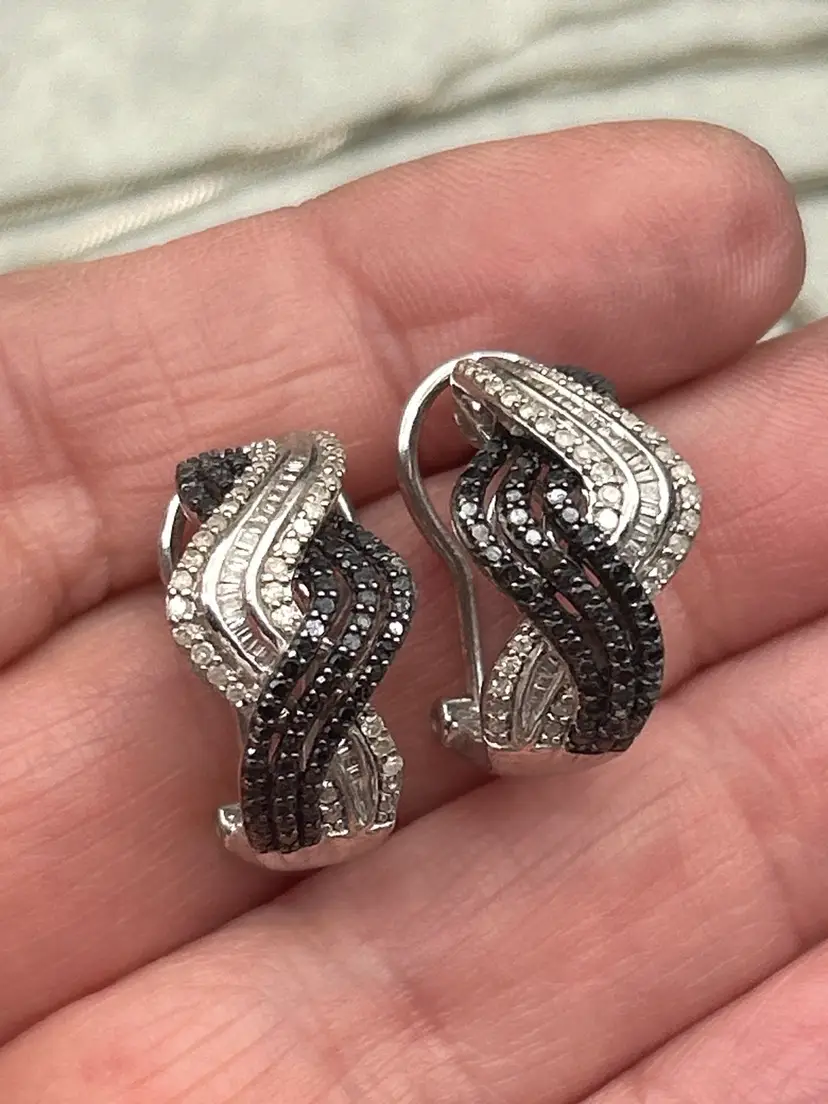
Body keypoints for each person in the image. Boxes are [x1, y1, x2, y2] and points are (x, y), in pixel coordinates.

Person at [0, 119, 822, 1102]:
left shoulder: (489, 504)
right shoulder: (439, 519)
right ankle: (353, 789)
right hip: (415, 739)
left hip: (482, 724)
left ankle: (375, 782)